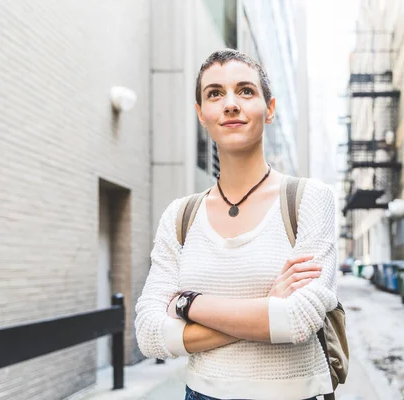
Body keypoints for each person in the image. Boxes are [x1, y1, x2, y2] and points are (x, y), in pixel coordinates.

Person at [135, 49, 338, 400]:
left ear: (269, 108)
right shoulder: (180, 216)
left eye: (245, 91)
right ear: (201, 113)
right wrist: (267, 306)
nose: (230, 104)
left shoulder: (309, 199)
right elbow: (149, 334)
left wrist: (187, 304)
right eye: (215, 93)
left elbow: (300, 320)